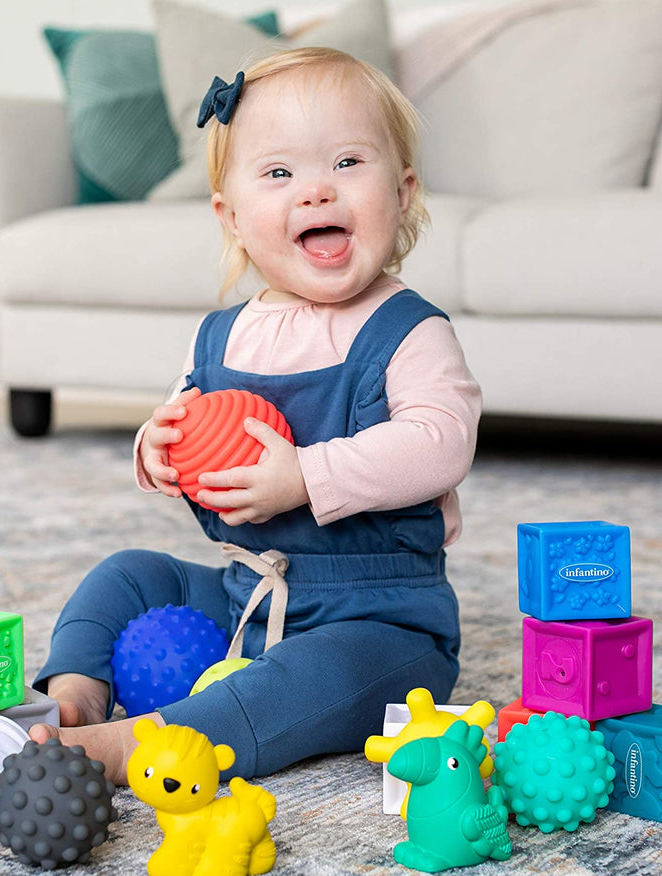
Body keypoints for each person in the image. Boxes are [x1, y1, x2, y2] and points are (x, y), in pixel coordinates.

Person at [30, 47, 481, 785]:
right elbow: (178, 421)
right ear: (232, 217)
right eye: (279, 174)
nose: (314, 193)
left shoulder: (409, 331)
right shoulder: (225, 335)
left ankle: (142, 746)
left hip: (380, 619)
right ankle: (75, 693)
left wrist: (305, 474)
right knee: (129, 576)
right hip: (248, 592)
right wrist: (157, 449)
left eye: (346, 163)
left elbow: (442, 443)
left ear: (402, 192)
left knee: (311, 679)